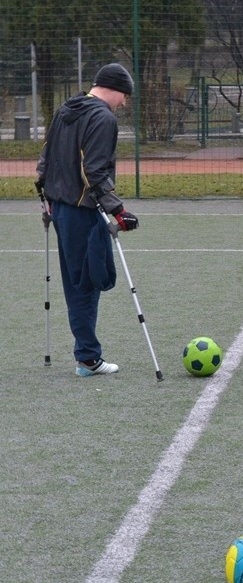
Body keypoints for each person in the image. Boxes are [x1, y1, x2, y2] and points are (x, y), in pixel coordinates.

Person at [36, 63, 139, 377]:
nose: (124, 103)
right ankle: (87, 358)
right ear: (115, 88)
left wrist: (47, 198)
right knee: (87, 282)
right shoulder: (102, 117)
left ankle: (86, 353)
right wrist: (117, 209)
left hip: (61, 210)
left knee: (79, 281)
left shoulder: (66, 109)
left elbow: (45, 159)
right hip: (83, 210)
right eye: (125, 96)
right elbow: (94, 171)